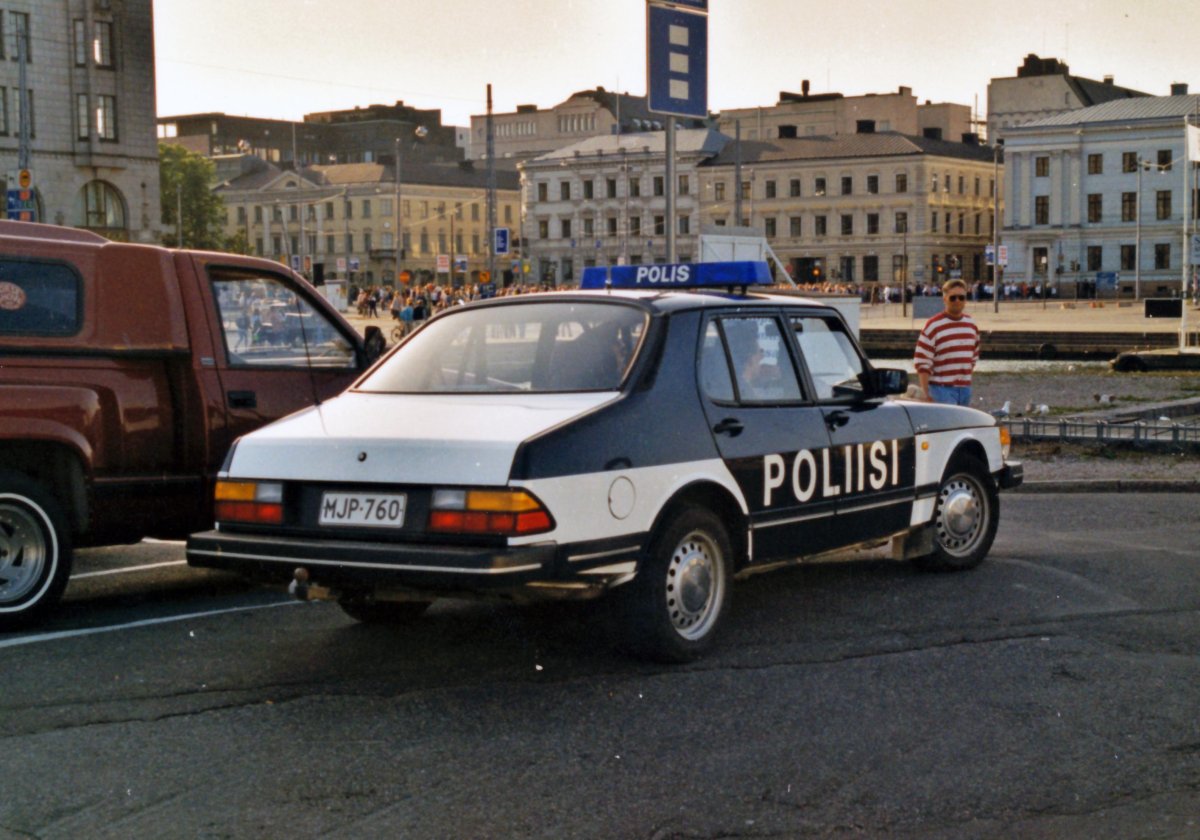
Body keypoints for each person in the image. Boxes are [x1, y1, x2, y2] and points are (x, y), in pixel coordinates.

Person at [914, 278, 979, 406]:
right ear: (944, 299)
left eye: (961, 297)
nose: (958, 301)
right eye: (953, 298)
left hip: (965, 388)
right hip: (940, 389)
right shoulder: (933, 325)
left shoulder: (971, 325)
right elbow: (922, 362)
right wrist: (925, 393)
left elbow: (973, 357)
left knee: (962, 425)